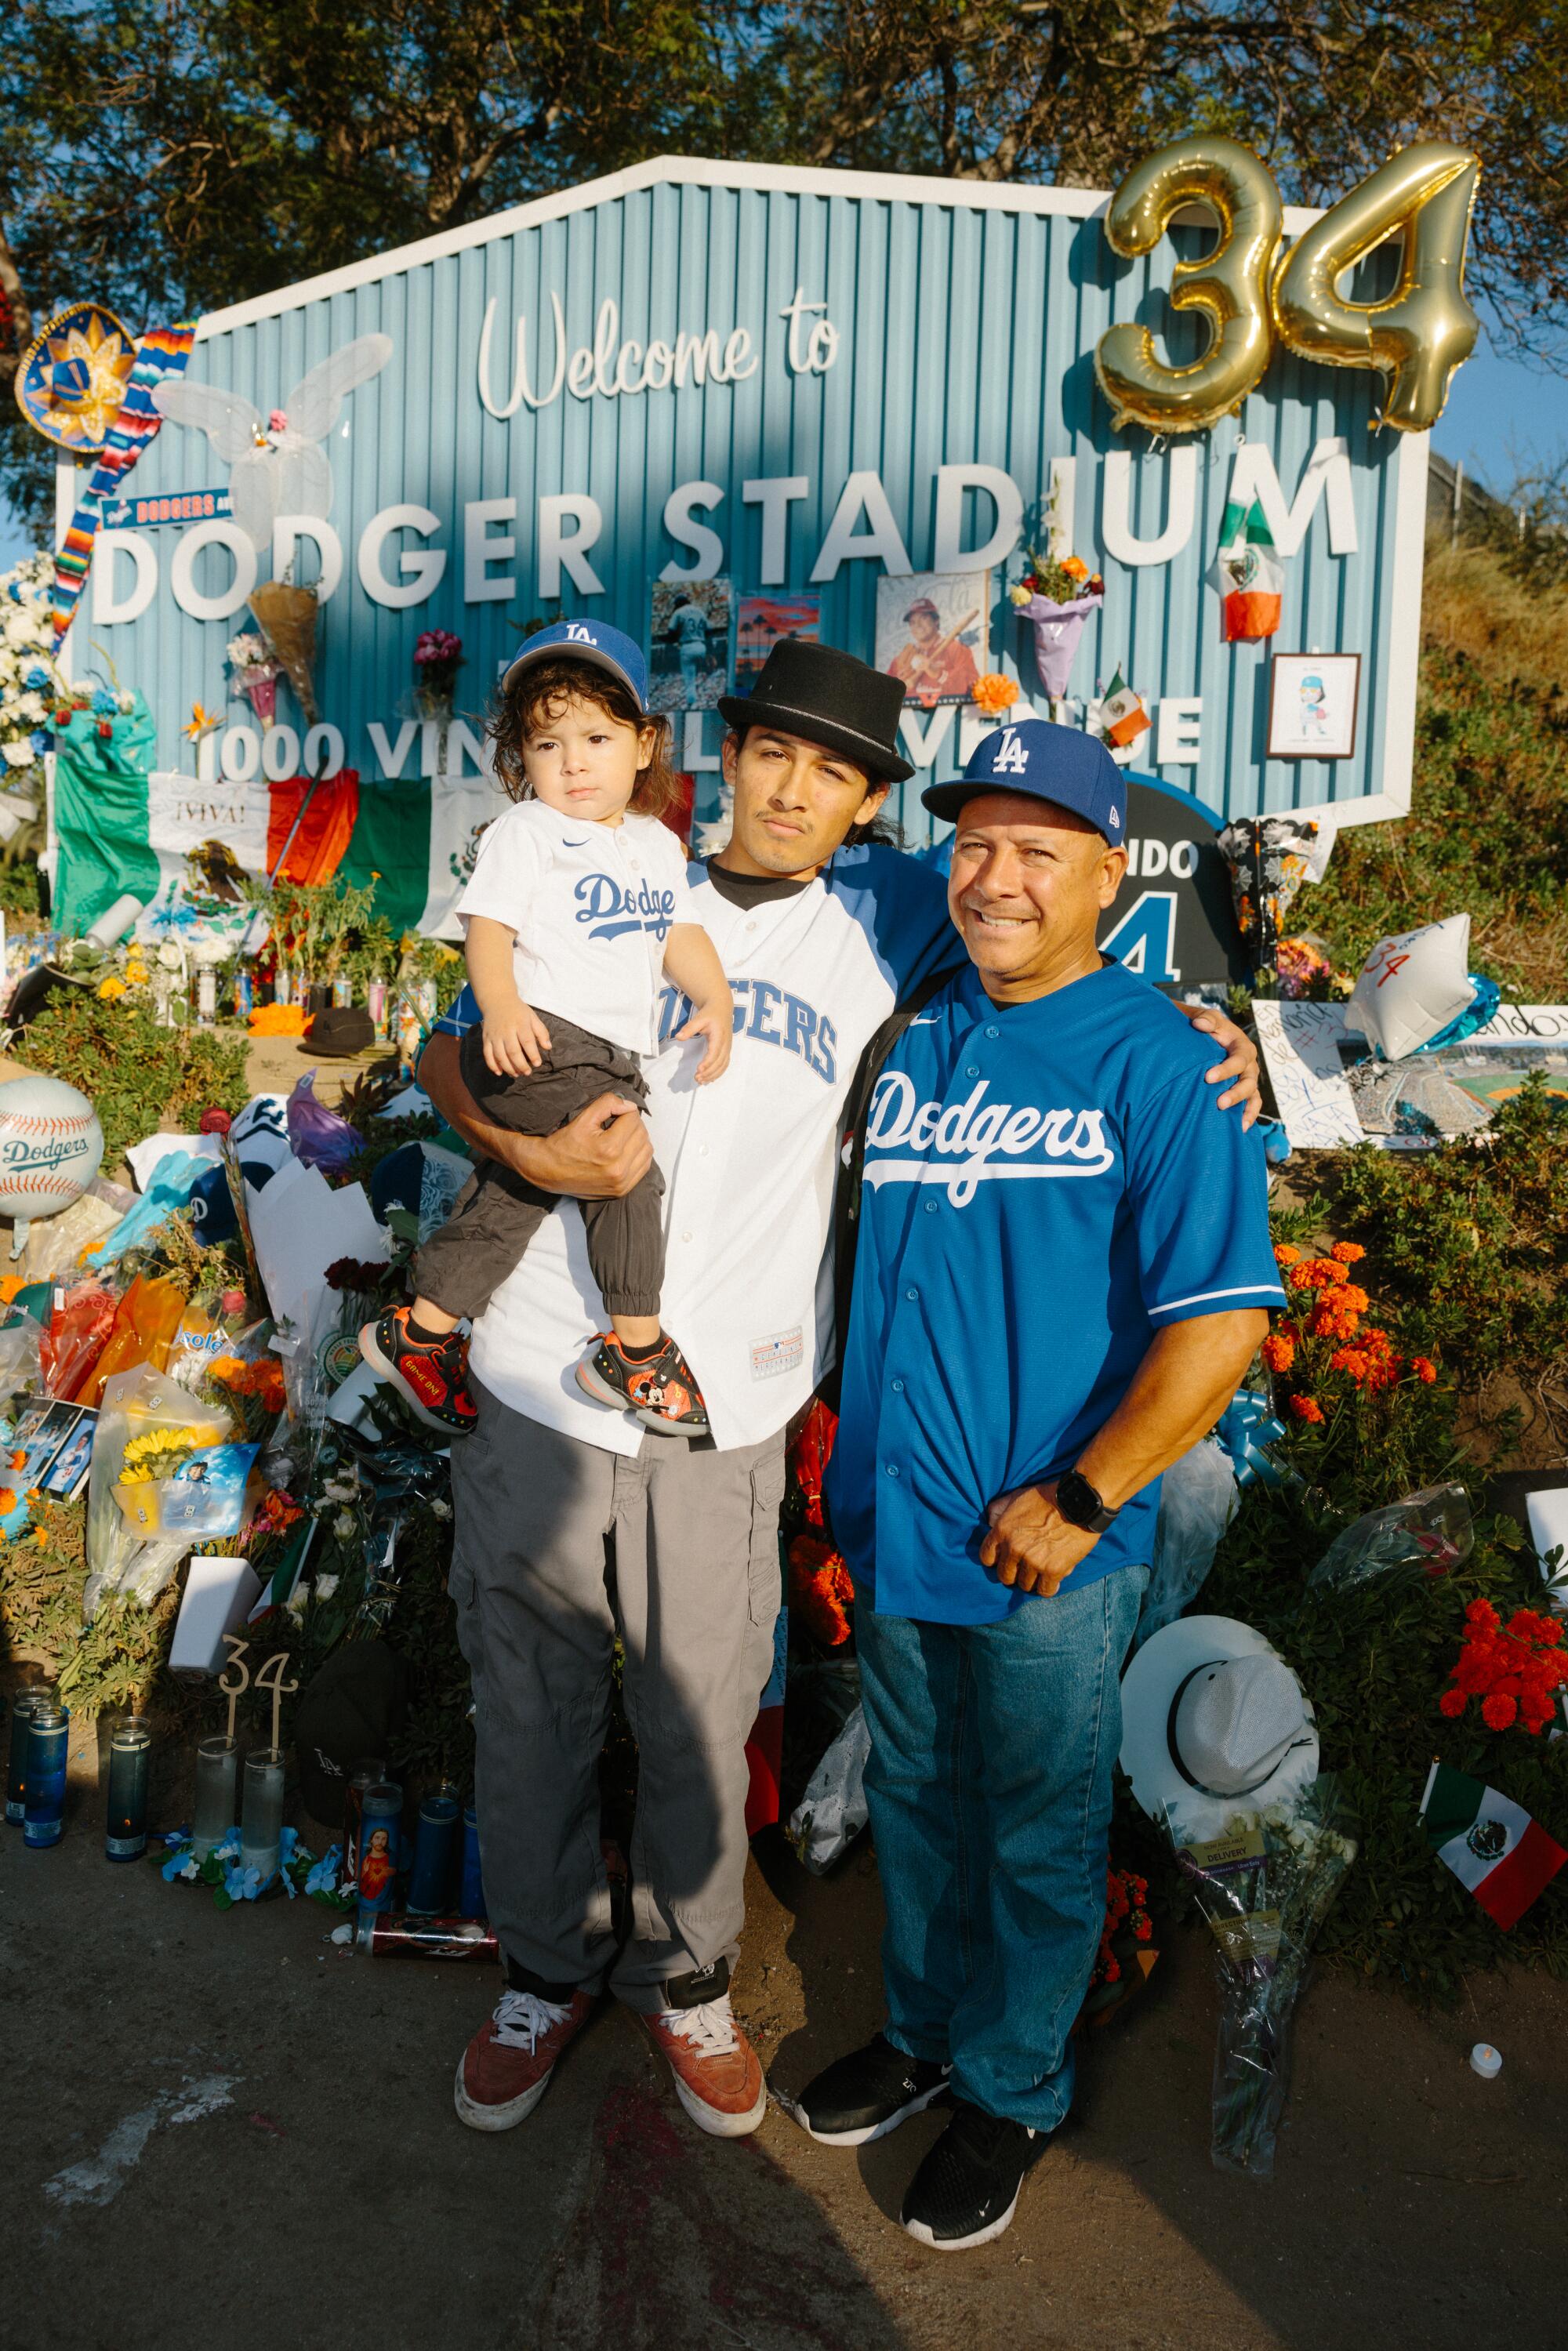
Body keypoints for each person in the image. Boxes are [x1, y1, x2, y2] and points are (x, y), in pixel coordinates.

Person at [415, 644, 1262, 2150]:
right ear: (719, 759)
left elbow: (1062, 903)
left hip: (723, 1402)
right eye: (770, 756)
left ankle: (687, 1986)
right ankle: (543, 1974)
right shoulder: (611, 855)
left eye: (836, 772)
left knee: (696, 1713)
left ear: (871, 803)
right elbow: (441, 1039)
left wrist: (1219, 1025)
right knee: (533, 1711)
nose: (796, 791)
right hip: (544, 1368)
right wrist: (521, 1147)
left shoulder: (885, 920)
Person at [781, 719, 1286, 2250]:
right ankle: (930, 2028)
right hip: (900, 1507)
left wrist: (1082, 1493)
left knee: (1037, 1818)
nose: (995, 876)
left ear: (1103, 875)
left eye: (1035, 849)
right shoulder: (916, 1028)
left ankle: (1011, 2082)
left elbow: (1224, 1321)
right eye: (975, 844)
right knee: (922, 1799)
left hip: (1048, 1538)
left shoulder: (1159, 1056)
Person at [360, 622, 732, 1436]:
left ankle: (421, 1330)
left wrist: (716, 998)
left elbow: (681, 936)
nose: (572, 762)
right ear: (518, 758)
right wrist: (500, 1006)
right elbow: (486, 929)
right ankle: (635, 1350)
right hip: (544, 1040)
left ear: (643, 745)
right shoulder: (528, 832)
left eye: (596, 737)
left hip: (603, 1051)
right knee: (623, 1163)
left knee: (518, 1189)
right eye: (545, 742)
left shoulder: (656, 844)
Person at [886, 597, 979, 706]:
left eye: (923, 618)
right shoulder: (903, 658)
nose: (918, 625)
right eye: (912, 622)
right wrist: (900, 685)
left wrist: (939, 674)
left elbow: (974, 688)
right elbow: (885, 695)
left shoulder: (957, 649)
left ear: (936, 621)